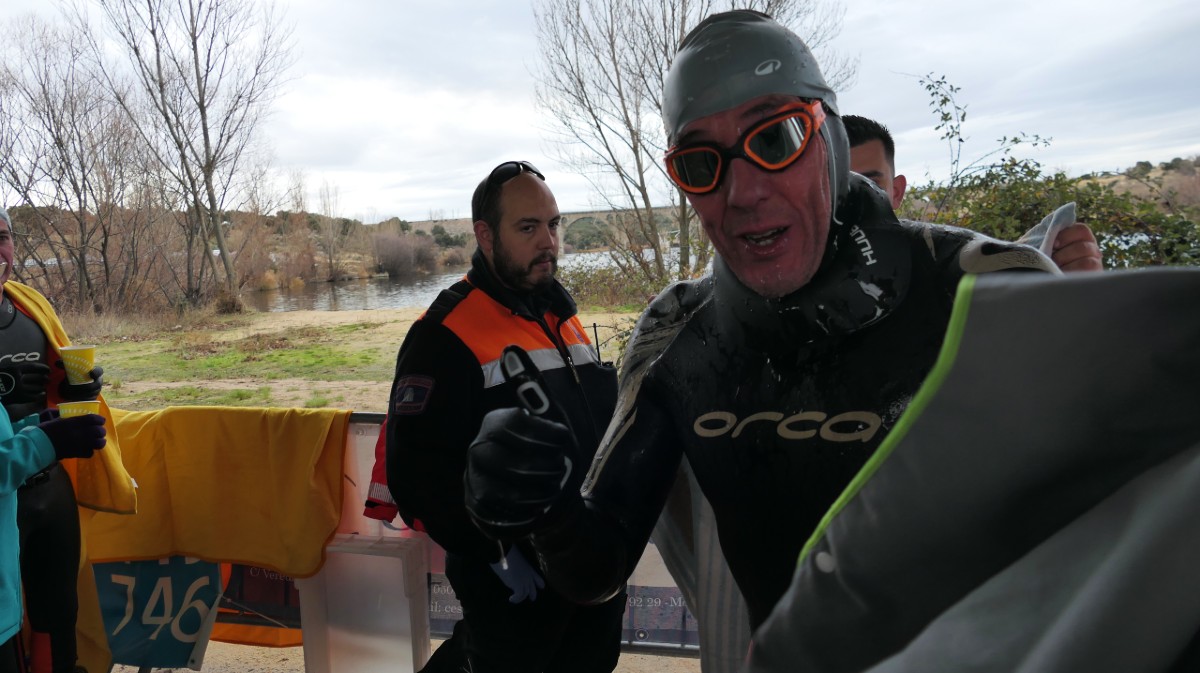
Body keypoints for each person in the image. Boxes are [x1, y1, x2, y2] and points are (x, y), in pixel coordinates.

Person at [462, 7, 1063, 648]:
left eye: (776, 138)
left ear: (832, 139)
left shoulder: (995, 293)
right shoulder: (676, 334)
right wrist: (547, 509)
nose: (742, 192)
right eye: (701, 164)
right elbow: (598, 569)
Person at [383, 162, 624, 673]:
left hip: (589, 566)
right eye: (528, 227)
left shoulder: (560, 317)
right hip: (515, 588)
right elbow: (417, 478)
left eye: (553, 225)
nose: (548, 242)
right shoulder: (444, 334)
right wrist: (495, 552)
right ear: (486, 235)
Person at [0, 206, 111, 673]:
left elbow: (52, 391)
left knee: (59, 611)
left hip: (49, 484)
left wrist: (75, 391)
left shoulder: (31, 310)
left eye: (1, 237)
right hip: (6, 488)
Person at [843, 113, 1103, 272]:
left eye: (871, 186)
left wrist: (1074, 281)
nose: (854, 201)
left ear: (897, 192)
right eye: (840, 187)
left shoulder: (949, 264)